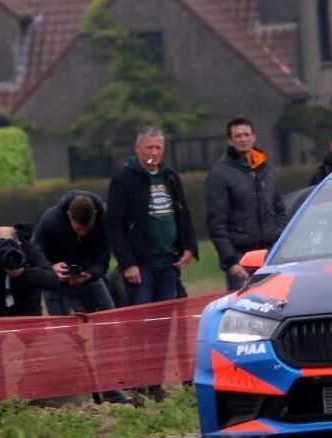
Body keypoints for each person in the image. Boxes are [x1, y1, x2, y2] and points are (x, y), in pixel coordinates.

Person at [105, 125, 198, 401]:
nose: (154, 153)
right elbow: (114, 225)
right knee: (139, 326)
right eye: (149, 147)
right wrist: (127, 263)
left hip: (168, 263)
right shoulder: (123, 178)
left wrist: (189, 246)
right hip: (141, 265)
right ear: (138, 149)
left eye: (158, 148)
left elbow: (183, 213)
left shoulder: (169, 176)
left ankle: (156, 384)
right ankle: (137, 384)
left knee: (162, 327)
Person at [33, 191, 132, 404]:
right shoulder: (50, 221)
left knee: (109, 326)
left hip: (89, 279)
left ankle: (111, 389)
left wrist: (90, 274)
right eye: (79, 229)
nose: (83, 233)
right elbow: (36, 252)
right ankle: (71, 394)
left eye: (87, 229)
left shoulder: (103, 222)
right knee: (63, 335)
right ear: (69, 216)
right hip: (56, 283)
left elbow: (104, 259)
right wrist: (51, 268)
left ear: (95, 215)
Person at [206, 117, 288, 291]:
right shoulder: (220, 174)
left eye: (246, 134)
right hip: (240, 258)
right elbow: (216, 223)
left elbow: (280, 209)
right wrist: (230, 261)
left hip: (269, 255)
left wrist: (278, 238)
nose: (243, 139)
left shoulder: (265, 168)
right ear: (230, 140)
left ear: (254, 137)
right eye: (238, 136)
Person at [0, 224, 59, 317]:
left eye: (9, 244)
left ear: (18, 243)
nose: (4, 249)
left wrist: (23, 272)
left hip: (27, 314)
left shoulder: (29, 250)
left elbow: (52, 280)